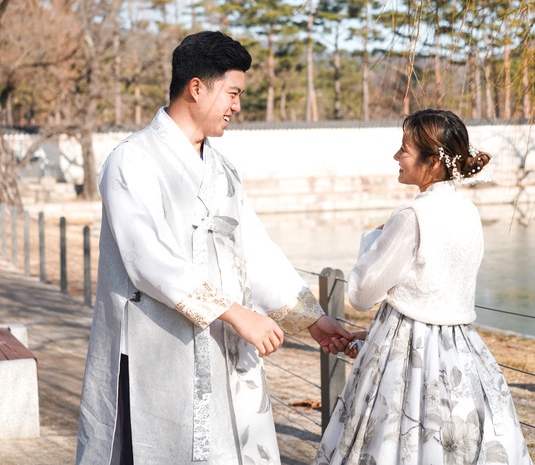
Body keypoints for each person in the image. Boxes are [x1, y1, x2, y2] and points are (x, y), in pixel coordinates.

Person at [76, 31, 353, 465]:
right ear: (197, 87)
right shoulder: (132, 160)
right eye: (233, 93)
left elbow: (255, 250)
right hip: (156, 346)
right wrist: (237, 314)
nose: (237, 106)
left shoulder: (223, 170)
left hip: (222, 343)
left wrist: (313, 320)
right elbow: (147, 259)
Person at [314, 109, 533, 464]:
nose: (396, 157)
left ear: (432, 162)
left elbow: (362, 293)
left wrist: (376, 236)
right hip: (461, 351)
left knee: (391, 442)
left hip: (404, 354)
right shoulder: (468, 213)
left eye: (404, 149)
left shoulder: (411, 216)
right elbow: (436, 291)